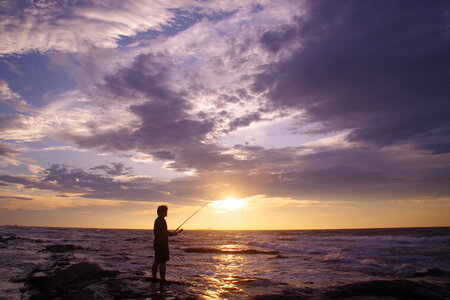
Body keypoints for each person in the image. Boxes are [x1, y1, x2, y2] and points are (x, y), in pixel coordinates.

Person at [152, 205, 182, 281]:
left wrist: (174, 233)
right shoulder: (162, 220)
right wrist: (173, 233)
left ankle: (154, 278)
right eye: (166, 211)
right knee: (162, 262)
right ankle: (162, 279)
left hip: (158, 243)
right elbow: (164, 232)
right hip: (162, 244)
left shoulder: (157, 220)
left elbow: (163, 232)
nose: (167, 212)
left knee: (157, 261)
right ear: (162, 212)